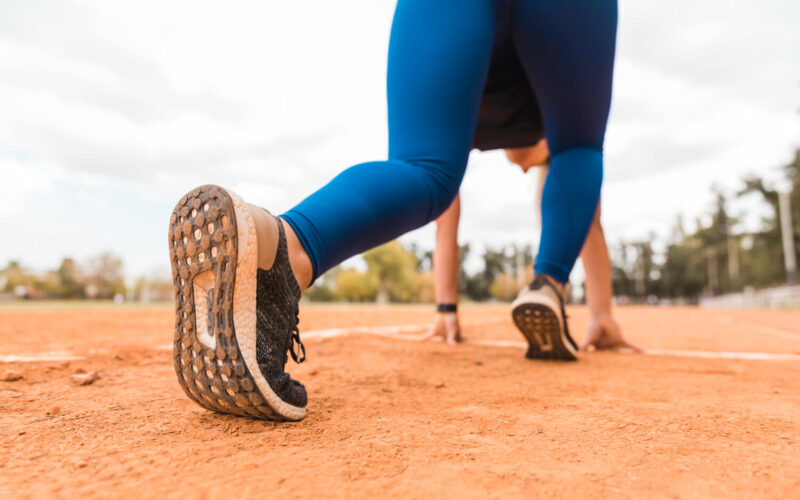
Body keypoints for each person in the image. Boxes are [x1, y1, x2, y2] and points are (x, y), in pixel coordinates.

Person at [169, 0, 619, 421]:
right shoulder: (545, 136)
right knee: (577, 148)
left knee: (421, 168)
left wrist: (447, 307)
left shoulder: (466, 121)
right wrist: (587, 301)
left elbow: (444, 216)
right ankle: (548, 285)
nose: (524, 170)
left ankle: (283, 243)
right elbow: (587, 210)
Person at [426, 140, 642, 355]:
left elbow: (588, 215)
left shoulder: (562, 136)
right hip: (494, 132)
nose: (523, 169)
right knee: (442, 164)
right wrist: (446, 308)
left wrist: (602, 315)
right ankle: (547, 287)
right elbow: (444, 208)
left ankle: (551, 288)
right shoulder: (459, 126)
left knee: (573, 176)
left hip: (550, 140)